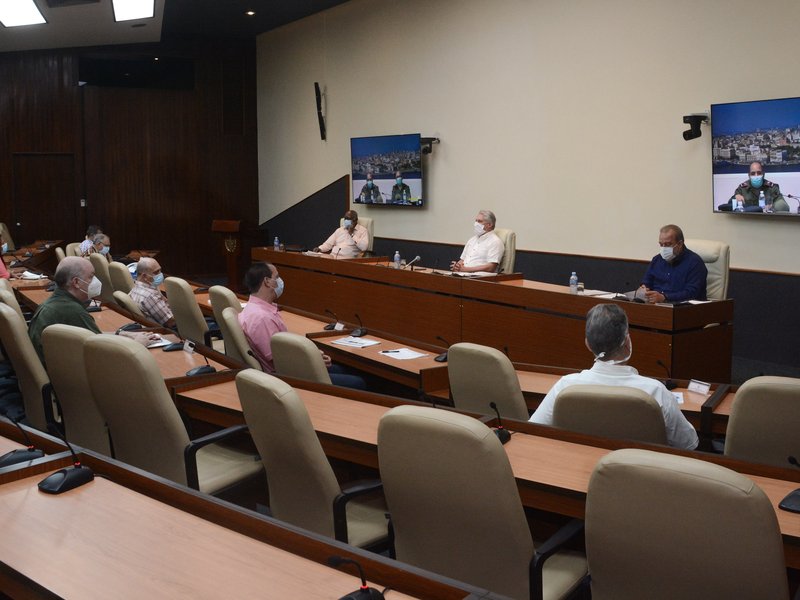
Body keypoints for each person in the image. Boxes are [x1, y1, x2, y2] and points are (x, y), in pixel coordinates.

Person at [529, 304, 698, 450]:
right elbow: (689, 444)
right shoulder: (655, 392)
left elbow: (533, 431)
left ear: (587, 343)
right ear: (627, 342)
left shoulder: (566, 386)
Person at [238, 262, 365, 389]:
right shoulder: (261, 318)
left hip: (290, 369)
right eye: (277, 277)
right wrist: (312, 358)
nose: (280, 281)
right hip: (288, 378)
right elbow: (280, 361)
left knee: (346, 370)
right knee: (359, 382)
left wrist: (314, 356)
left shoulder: (256, 309)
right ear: (267, 282)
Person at [28, 257, 102, 362]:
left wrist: (120, 333)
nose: (95, 281)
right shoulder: (72, 311)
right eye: (91, 276)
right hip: (67, 375)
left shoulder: (54, 303)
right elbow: (103, 350)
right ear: (76, 282)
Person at [638, 224, 707, 303]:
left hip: (683, 308)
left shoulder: (695, 262)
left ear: (680, 244)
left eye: (667, 244)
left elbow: (692, 293)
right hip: (655, 306)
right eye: (661, 244)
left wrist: (664, 297)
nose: (663, 248)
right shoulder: (657, 260)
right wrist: (643, 289)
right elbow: (646, 283)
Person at [129, 257, 175, 328]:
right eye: (156, 272)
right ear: (144, 276)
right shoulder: (150, 296)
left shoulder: (136, 287)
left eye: (160, 270)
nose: (161, 274)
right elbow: (171, 323)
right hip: (167, 330)